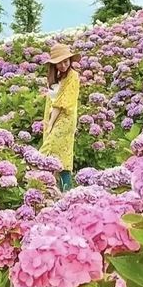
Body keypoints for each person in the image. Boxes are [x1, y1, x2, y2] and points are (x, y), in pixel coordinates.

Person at [40, 43, 80, 191]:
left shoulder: (73, 76)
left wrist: (50, 124)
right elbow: (50, 102)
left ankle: (66, 191)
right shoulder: (54, 77)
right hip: (52, 118)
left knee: (56, 153)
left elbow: (62, 103)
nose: (63, 65)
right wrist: (48, 122)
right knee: (54, 153)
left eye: (66, 61)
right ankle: (52, 190)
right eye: (59, 63)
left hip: (65, 119)